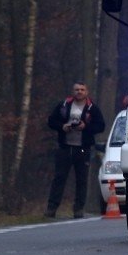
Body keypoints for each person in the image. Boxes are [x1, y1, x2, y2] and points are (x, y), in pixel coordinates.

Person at [46, 81, 105, 218]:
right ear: (73, 91)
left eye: (82, 90)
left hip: (83, 149)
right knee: (59, 178)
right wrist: (62, 127)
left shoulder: (92, 108)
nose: (79, 92)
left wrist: (86, 127)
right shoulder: (64, 105)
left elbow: (101, 126)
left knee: (82, 180)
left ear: (86, 92)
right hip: (64, 148)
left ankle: (78, 209)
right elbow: (51, 121)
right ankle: (51, 209)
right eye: (77, 89)